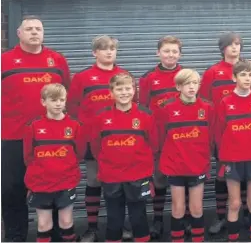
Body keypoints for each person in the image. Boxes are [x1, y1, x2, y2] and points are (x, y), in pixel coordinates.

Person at [1, 15, 70, 242]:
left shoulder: (57, 60)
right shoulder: (5, 61)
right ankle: (15, 235)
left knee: (52, 187)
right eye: (28, 29)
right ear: (19, 33)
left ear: (43, 33)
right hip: (13, 136)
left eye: (38, 28)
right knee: (12, 188)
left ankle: (55, 234)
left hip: (51, 137)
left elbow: (65, 94)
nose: (34, 32)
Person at [66, 35, 128, 242]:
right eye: (103, 49)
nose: (109, 52)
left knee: (119, 182)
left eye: (112, 48)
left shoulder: (124, 75)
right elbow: (72, 107)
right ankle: (92, 228)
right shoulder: (82, 77)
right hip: (93, 140)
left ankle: (118, 226)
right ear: (94, 53)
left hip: (120, 139)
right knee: (93, 180)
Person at [89, 73, 157, 242]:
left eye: (128, 88)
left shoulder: (146, 114)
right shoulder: (101, 116)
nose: (124, 92)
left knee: (139, 217)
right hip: (111, 176)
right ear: (111, 93)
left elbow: (154, 143)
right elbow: (96, 146)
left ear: (134, 91)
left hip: (138, 175)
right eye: (119, 89)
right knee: (114, 219)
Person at [138, 35, 187, 239]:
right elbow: (142, 109)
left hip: (182, 138)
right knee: (158, 179)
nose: (170, 55)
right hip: (157, 138)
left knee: (183, 180)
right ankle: (157, 219)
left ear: (180, 54)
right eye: (166, 51)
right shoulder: (148, 77)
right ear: (158, 52)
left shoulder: (186, 75)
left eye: (174, 51)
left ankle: (183, 219)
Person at [156, 69, 214, 242]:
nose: (191, 87)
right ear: (178, 86)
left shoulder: (207, 108)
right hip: (175, 166)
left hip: (198, 165)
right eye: (187, 84)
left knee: (196, 208)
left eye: (195, 83)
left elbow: (212, 137)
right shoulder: (167, 108)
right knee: (178, 208)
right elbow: (160, 137)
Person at [214, 60, 251, 241]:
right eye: (243, 74)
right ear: (233, 77)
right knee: (235, 203)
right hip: (232, 160)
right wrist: (224, 157)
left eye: (250, 74)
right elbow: (219, 131)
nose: (247, 78)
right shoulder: (225, 102)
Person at [24, 83, 85, 242]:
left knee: (66, 221)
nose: (58, 104)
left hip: (66, 181)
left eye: (61, 100)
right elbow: (28, 156)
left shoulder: (75, 125)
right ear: (43, 102)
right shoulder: (33, 126)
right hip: (40, 183)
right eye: (53, 100)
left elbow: (79, 153)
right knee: (44, 224)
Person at [198, 32, 245, 234]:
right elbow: (204, 103)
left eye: (238, 44)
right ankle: (220, 216)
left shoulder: (248, 70)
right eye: (230, 45)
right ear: (222, 49)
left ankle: (241, 216)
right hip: (221, 135)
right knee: (223, 176)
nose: (235, 48)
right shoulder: (213, 73)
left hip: (245, 133)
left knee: (245, 175)